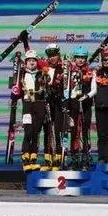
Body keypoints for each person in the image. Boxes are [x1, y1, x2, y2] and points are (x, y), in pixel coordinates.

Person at [14, 50, 49, 172]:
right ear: (26, 62)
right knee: (28, 132)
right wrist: (14, 96)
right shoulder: (21, 73)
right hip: (27, 104)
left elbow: (47, 87)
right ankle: (25, 159)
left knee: (36, 133)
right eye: (29, 60)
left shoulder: (42, 73)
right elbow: (16, 89)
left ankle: (33, 159)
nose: (32, 63)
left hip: (39, 104)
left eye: (34, 60)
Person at [68, 46, 96, 170]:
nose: (80, 60)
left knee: (85, 132)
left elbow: (94, 89)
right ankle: (74, 158)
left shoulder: (91, 72)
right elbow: (66, 88)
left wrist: (87, 96)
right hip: (73, 104)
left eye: (83, 58)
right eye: (78, 57)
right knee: (74, 132)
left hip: (86, 104)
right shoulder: (70, 71)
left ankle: (85, 158)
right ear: (75, 58)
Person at [41, 43, 65, 171]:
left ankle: (59, 159)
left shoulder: (64, 68)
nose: (52, 58)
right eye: (50, 56)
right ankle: (48, 160)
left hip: (60, 103)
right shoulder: (44, 68)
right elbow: (30, 58)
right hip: (47, 102)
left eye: (54, 55)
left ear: (58, 55)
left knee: (58, 131)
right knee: (47, 131)